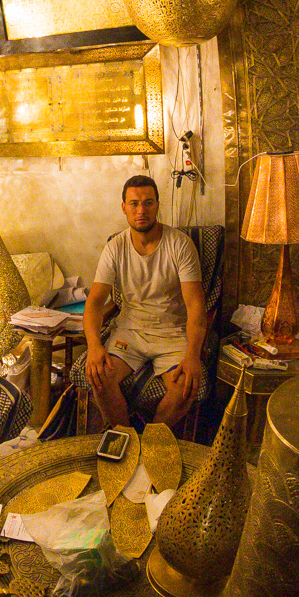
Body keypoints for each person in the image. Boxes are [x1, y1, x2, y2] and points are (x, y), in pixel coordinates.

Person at [84, 175, 208, 429]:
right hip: (130, 333)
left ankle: (152, 441)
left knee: (187, 386)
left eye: (148, 203)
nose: (141, 210)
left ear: (157, 205)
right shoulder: (115, 247)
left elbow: (196, 305)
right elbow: (95, 302)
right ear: (124, 207)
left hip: (172, 333)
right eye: (134, 203)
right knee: (99, 377)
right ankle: (127, 438)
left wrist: (193, 355)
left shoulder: (180, 245)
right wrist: (94, 346)